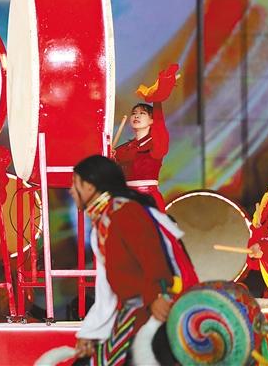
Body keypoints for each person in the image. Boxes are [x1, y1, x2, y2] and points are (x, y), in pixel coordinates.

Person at [71, 155, 196, 365]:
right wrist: (91, 331)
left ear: (90, 187)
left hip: (157, 308)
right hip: (134, 311)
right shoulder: (103, 222)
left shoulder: (125, 212)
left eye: (75, 184)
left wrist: (158, 295)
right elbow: (107, 287)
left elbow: (153, 256)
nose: (71, 191)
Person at [113, 64, 179, 212]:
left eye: (142, 113)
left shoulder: (156, 144)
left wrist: (157, 99)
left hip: (148, 200)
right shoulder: (123, 149)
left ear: (151, 120)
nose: (136, 116)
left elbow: (160, 123)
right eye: (134, 113)